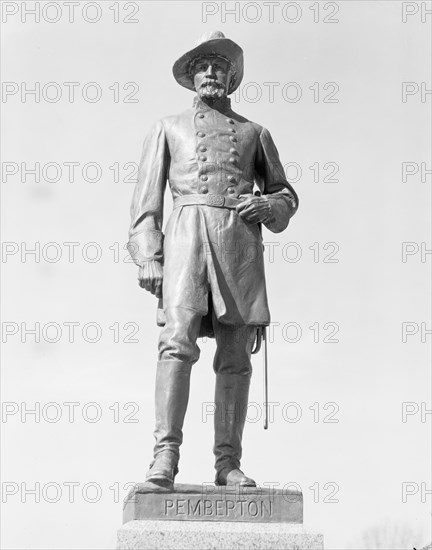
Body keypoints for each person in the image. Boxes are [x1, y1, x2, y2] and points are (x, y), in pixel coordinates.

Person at [127, 31, 299, 488]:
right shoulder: (167, 127)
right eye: (203, 67)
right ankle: (164, 457)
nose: (211, 74)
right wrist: (149, 255)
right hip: (185, 242)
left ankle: (228, 463)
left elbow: (286, 195)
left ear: (231, 77)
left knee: (236, 356)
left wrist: (269, 206)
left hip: (239, 247)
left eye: (219, 68)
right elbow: (146, 206)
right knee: (175, 344)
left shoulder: (254, 133)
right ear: (192, 77)